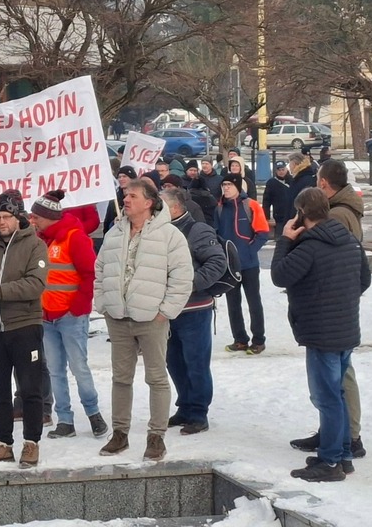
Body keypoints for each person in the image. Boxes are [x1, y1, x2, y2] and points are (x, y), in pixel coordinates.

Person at [271, 188, 371, 482]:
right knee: (337, 394)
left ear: (302, 213)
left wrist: (285, 239)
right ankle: (342, 454)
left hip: (321, 332)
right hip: (345, 328)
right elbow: (364, 280)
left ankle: (329, 462)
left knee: (327, 398)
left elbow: (279, 274)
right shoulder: (350, 240)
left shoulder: (309, 247)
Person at [94, 180, 194, 462]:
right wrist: (103, 302)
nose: (126, 200)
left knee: (157, 378)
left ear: (149, 202)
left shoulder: (170, 235)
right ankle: (120, 434)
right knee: (121, 378)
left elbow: (182, 277)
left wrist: (166, 310)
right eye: (125, 195)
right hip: (118, 316)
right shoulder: (115, 231)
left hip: (152, 317)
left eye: (133, 196)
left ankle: (156, 436)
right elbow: (100, 268)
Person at [0, 191, 49, 468]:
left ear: (19, 218)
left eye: (6, 217)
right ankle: (3, 443)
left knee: (29, 388)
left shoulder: (34, 245)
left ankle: (31, 442)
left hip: (24, 325)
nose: (1, 222)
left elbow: (35, 284)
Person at [29, 191, 108, 440]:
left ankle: (94, 414)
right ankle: (64, 419)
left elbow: (89, 274)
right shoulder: (40, 239)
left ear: (48, 217)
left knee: (78, 367)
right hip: (47, 315)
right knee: (55, 370)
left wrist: (77, 307)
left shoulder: (75, 237)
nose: (32, 220)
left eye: (36, 216)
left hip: (70, 316)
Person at [160, 187, 227, 435]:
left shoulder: (197, 229)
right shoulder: (159, 231)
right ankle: (185, 406)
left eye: (161, 205)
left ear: (175, 207)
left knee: (196, 362)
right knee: (174, 362)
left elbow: (217, 262)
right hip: (168, 309)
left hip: (194, 308)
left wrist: (190, 285)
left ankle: (199, 413)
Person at [216, 174, 270, 354]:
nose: (226, 188)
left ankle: (258, 340)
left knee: (254, 302)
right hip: (229, 266)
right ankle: (239, 339)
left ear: (238, 186)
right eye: (224, 184)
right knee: (233, 304)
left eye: (229, 184)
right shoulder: (220, 207)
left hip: (249, 265)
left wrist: (249, 250)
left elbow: (263, 232)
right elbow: (216, 234)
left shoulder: (251, 205)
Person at [262, 160, 295, 236]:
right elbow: (266, 200)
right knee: (280, 237)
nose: (281, 172)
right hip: (279, 216)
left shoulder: (293, 181)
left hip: (292, 215)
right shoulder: (271, 183)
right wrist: (266, 216)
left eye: (283, 169)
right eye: (279, 170)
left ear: (286, 169)